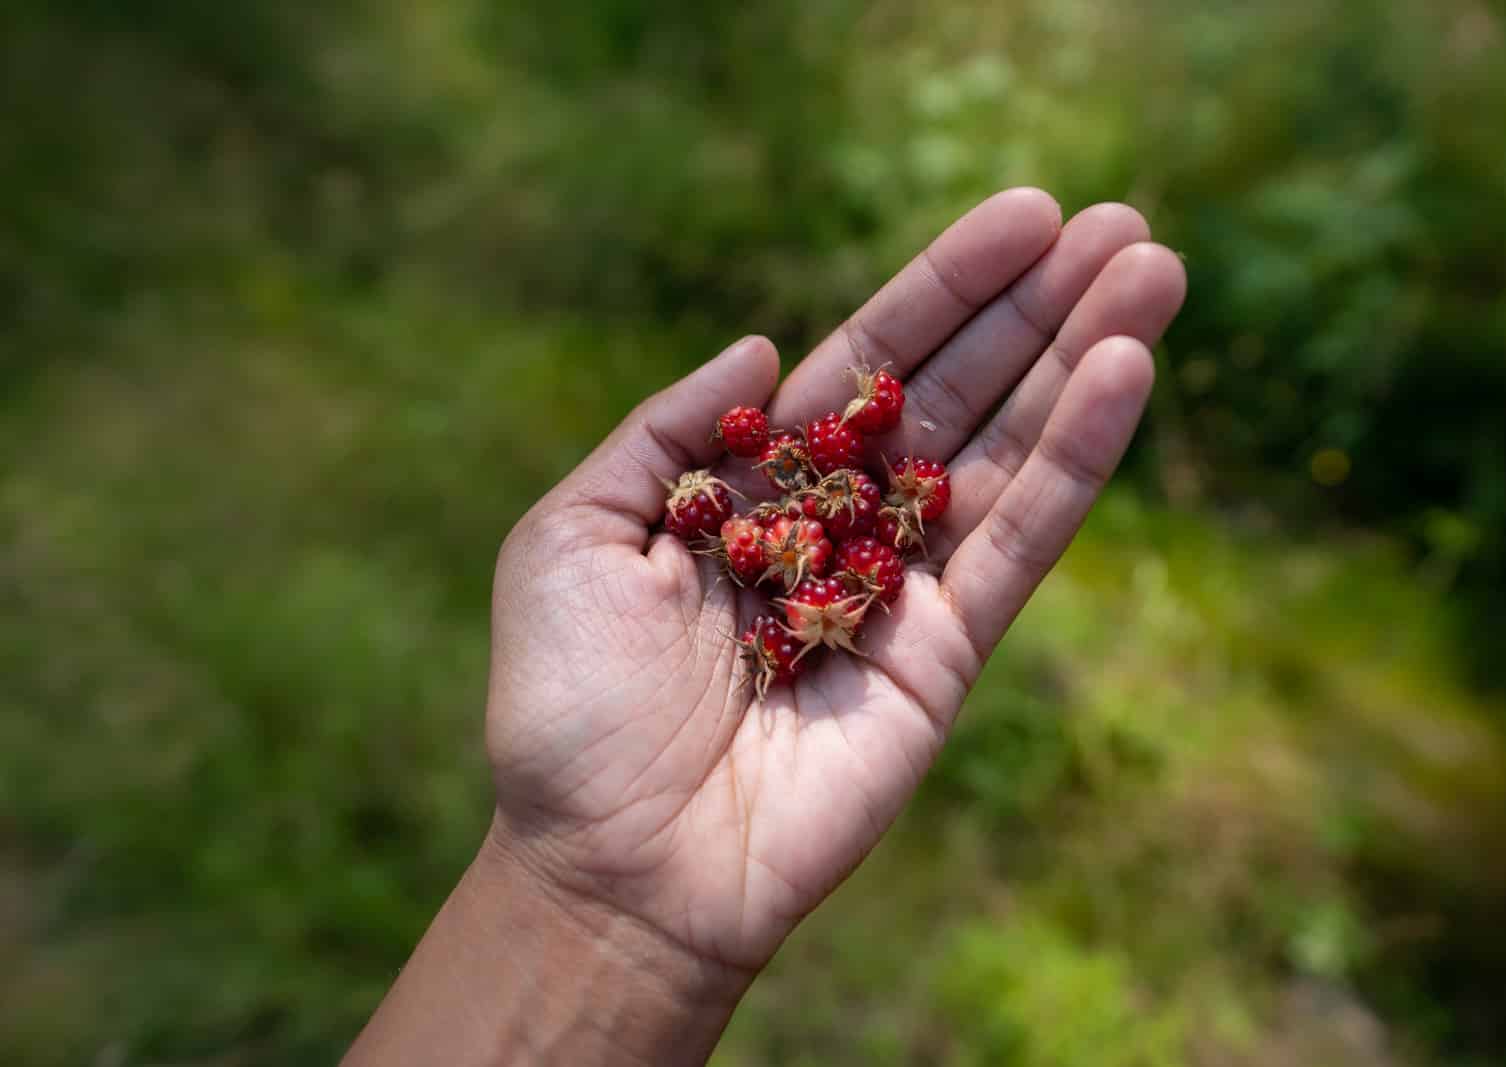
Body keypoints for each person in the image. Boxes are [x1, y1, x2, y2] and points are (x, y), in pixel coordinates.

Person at [343, 189, 1186, 1065]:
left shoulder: (843, 515)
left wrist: (587, 902)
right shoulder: (799, 537)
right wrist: (592, 889)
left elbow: (845, 517)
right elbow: (820, 522)